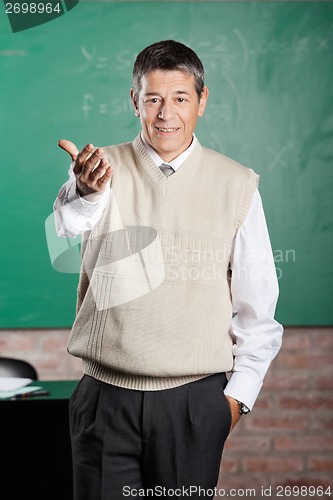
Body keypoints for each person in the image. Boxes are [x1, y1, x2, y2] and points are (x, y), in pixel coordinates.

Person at [53, 39, 283, 499]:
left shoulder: (237, 184)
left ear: (202, 101)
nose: (166, 114)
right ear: (135, 101)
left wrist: (236, 400)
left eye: (180, 98)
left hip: (193, 403)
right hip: (105, 398)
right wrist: (86, 191)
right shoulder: (99, 169)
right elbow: (64, 226)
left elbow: (258, 306)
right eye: (153, 98)